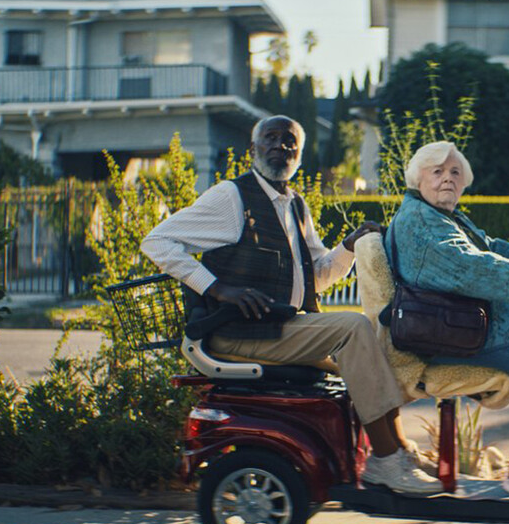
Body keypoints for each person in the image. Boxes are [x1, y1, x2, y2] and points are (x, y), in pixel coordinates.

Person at [141, 115, 440, 495]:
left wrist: (348, 246)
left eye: (290, 141)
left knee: (376, 345)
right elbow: (157, 241)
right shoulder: (230, 198)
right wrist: (216, 289)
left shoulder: (295, 205)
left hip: (277, 327)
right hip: (239, 332)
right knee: (352, 329)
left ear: (299, 155)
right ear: (253, 150)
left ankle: (397, 451)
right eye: (271, 138)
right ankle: (385, 461)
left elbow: (315, 276)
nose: (281, 146)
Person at [386, 141, 509, 504]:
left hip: (467, 327)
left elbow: (489, 246)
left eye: (454, 172)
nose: (447, 179)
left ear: (463, 184)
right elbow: (466, 265)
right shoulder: (419, 220)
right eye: (437, 171)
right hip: (450, 335)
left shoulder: (443, 216)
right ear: (418, 178)